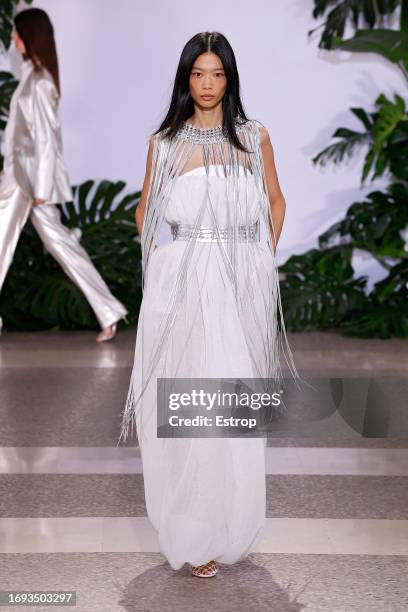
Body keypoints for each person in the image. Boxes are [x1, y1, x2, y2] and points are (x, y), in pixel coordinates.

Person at [118, 31, 299, 577]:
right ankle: (194, 532)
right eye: (198, 74)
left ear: (230, 78)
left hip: (239, 280)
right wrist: (166, 263)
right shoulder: (165, 143)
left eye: (217, 74)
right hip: (182, 285)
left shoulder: (253, 136)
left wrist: (260, 261)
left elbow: (274, 199)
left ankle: (228, 523)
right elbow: (145, 211)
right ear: (185, 78)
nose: (207, 84)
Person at [0, 8, 128, 342]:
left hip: (24, 181)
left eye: (17, 34)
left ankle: (109, 311)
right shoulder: (32, 78)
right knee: (63, 245)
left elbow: (46, 140)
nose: (13, 39)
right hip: (21, 176)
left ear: (30, 37)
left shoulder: (39, 84)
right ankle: (109, 311)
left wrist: (41, 187)